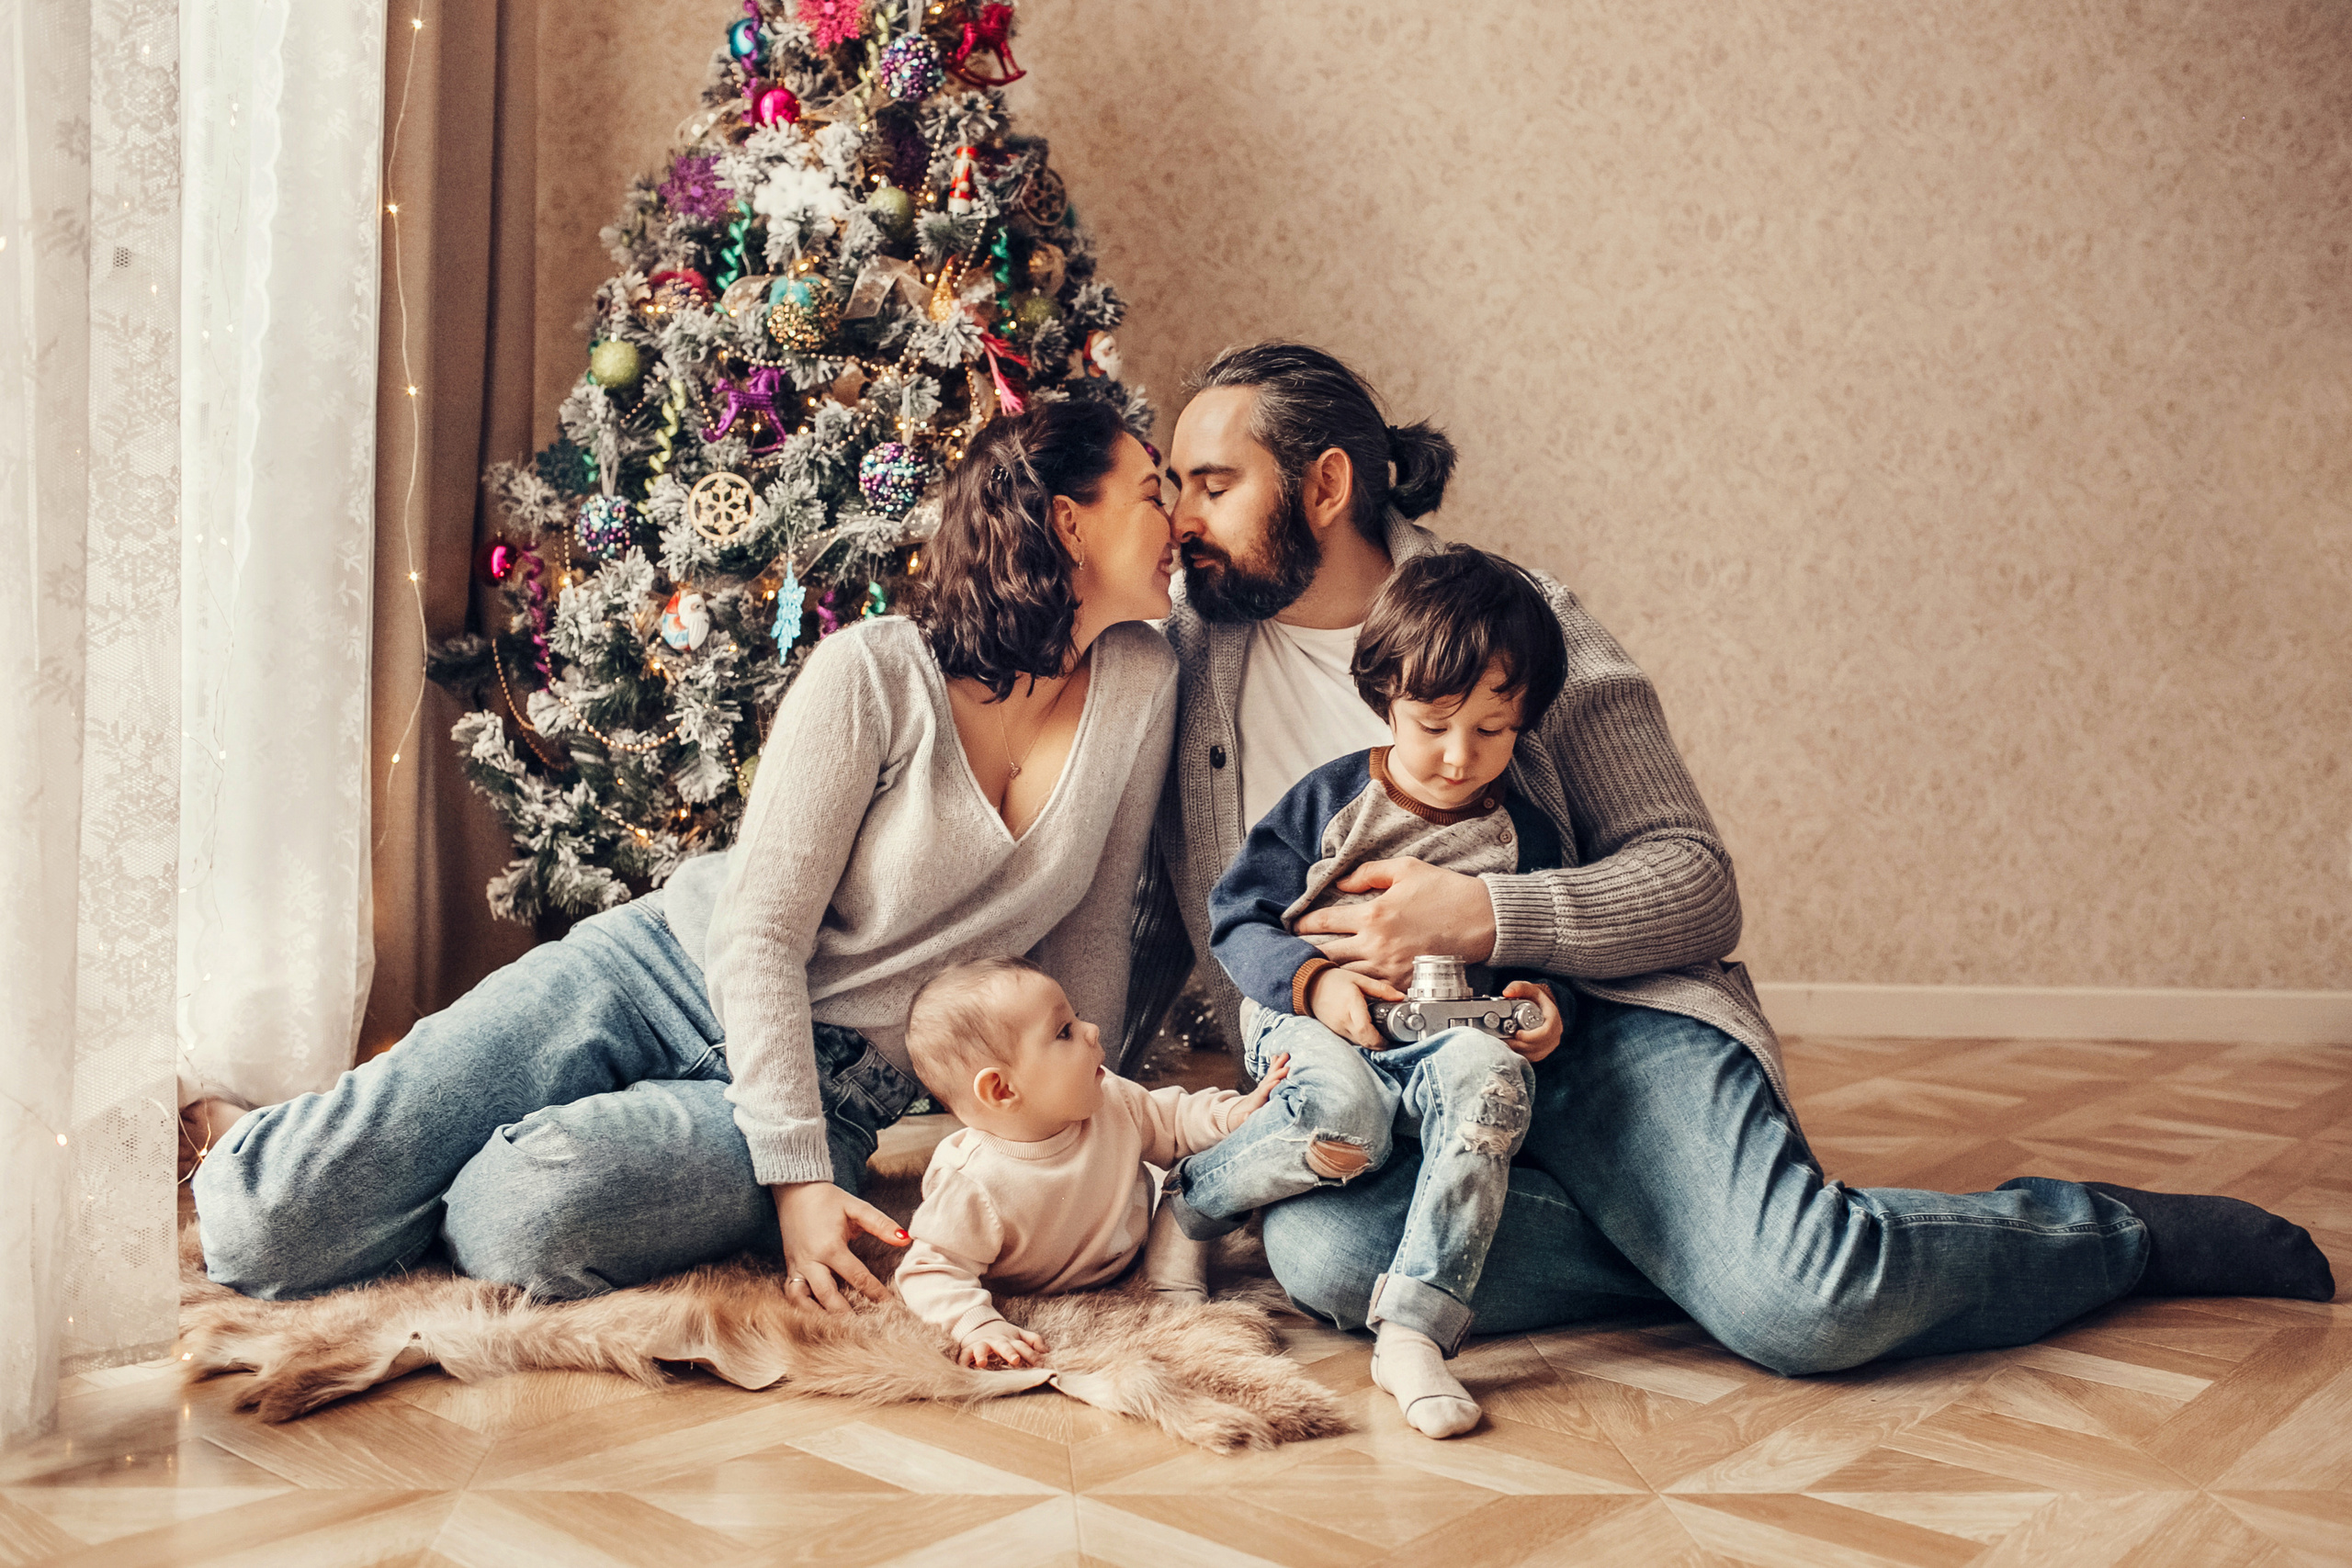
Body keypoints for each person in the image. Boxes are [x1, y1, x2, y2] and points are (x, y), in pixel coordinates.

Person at [1127, 341, 2332, 1381]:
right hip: (1391, 1074)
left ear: (1326, 485)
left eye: (1213, 485)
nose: (1182, 516)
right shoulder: (1184, 656)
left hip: (1598, 1031)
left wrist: (1483, 913)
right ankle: (1713, 1246)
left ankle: (2105, 1235)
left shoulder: (1518, 622)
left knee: (1811, 1308)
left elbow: (1694, 881)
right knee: (1327, 1254)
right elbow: (1147, 908)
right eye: (1176, 486)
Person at [193, 399, 1182, 1310]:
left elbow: (1094, 928)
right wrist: (796, 1181)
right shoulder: (875, 671)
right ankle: (276, 1142)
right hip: (658, 973)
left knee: (519, 1218)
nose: (1175, 518)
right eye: (1152, 493)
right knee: (263, 1223)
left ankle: (472, 1167)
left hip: (839, 1088)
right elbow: (759, 934)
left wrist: (1092, 1148)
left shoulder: (1143, 680)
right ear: (1068, 522)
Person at [1167, 546, 1578, 1438]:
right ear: (1387, 694)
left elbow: (1542, 963)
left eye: (1493, 729)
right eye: (1434, 724)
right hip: (1306, 1016)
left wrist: (1544, 1008)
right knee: (1348, 1116)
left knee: (1495, 1082)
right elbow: (1236, 919)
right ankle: (1191, 1202)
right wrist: (1315, 986)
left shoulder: (1526, 833)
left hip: (1439, 1035)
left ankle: (1414, 1331)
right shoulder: (1331, 801)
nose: (1459, 757)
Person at [892, 955, 1288, 1369]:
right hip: (1034, 1281)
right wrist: (977, 1324)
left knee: (1190, 1179)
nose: (1092, 1029)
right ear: (1002, 1089)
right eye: (1064, 1031)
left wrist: (1232, 1114)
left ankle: (1172, 1288)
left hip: (1135, 1253)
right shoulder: (971, 1182)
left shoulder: (1113, 1100)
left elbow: (1172, 1118)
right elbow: (930, 1271)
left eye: (1076, 1017)